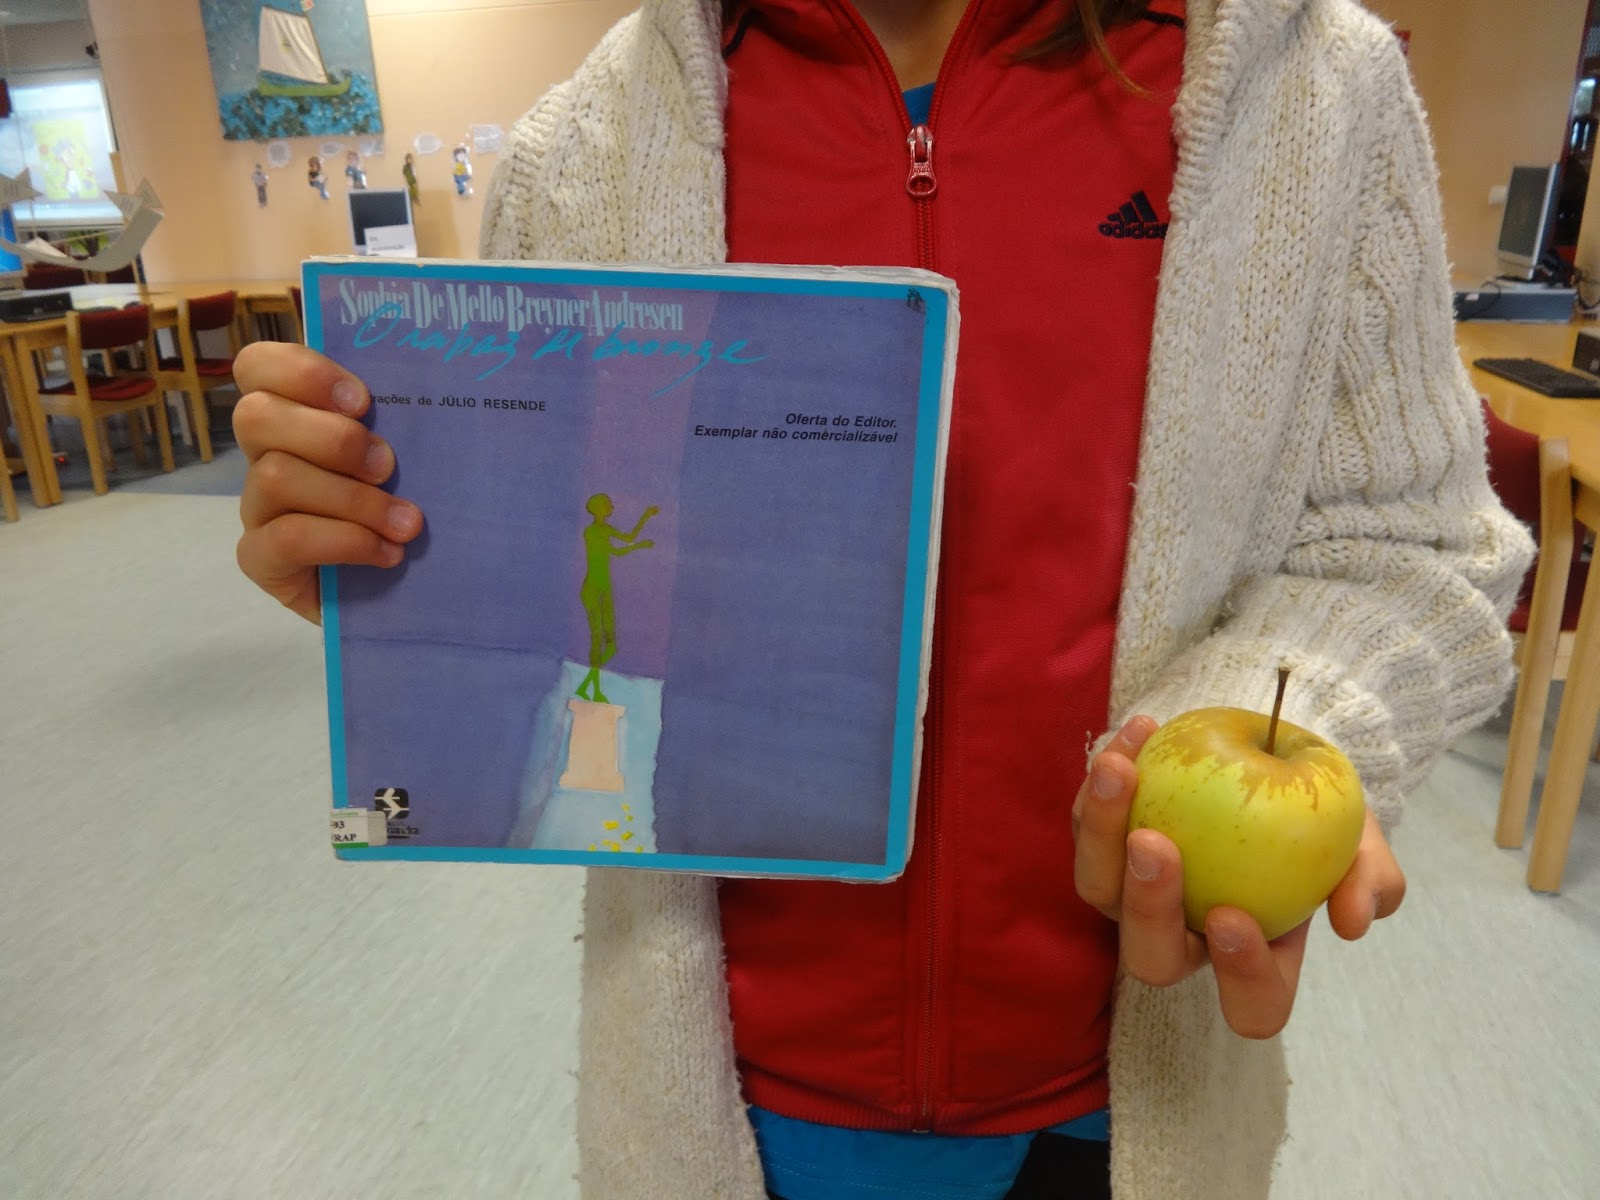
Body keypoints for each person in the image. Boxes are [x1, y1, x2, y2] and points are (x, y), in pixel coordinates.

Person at [231, 1, 1533, 1197]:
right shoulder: (585, 148)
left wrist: (1244, 729)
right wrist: (403, 574)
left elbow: (1409, 544)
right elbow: (569, 572)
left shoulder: (1313, 92)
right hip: (722, 1104)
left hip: (1121, 1106)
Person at [576, 494, 659, 704]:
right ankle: (595, 691)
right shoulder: (591, 532)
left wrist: (646, 517)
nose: (612, 507)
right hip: (592, 590)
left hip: (605, 590)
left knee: (611, 645)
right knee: (597, 640)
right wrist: (638, 545)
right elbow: (615, 550)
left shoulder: (606, 530)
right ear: (600, 509)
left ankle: (585, 685)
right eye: (608, 505)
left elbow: (627, 538)